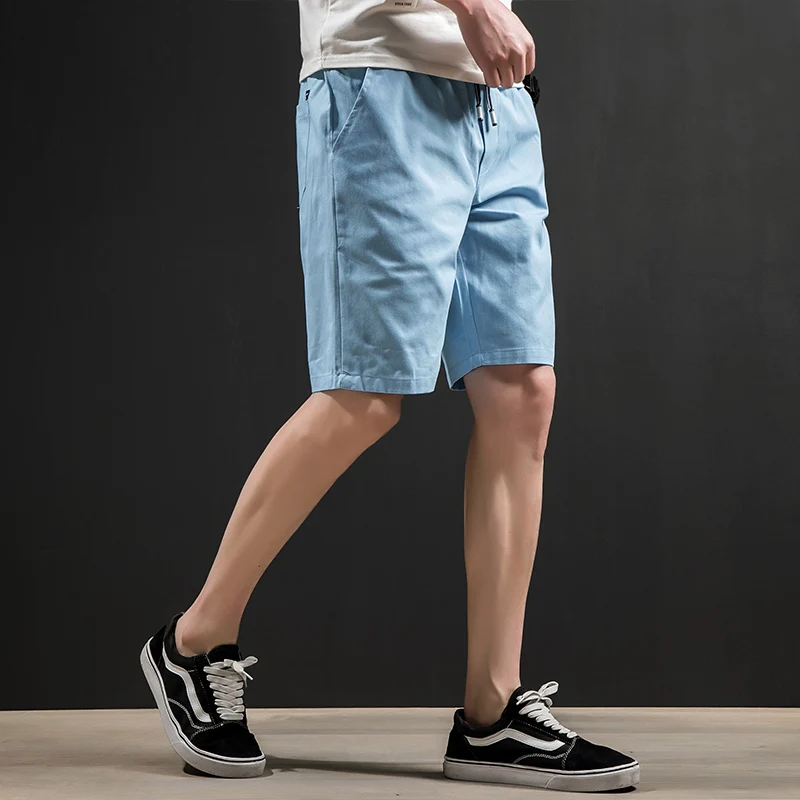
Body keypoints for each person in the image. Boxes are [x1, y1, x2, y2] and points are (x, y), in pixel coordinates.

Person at [139, 0, 640, 791]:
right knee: (364, 394)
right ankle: (194, 641)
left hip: (496, 98)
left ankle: (493, 713)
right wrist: (473, 7)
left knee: (521, 392)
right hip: (380, 79)